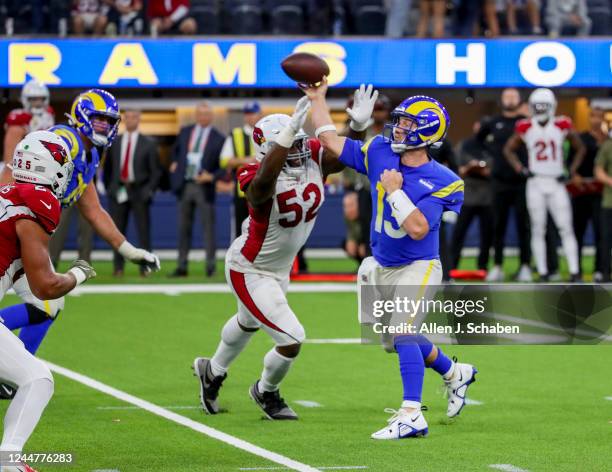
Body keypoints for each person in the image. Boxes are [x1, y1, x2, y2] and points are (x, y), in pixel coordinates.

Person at [307, 78, 477, 439]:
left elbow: (417, 228)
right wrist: (318, 98)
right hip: (381, 265)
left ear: (427, 132)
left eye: (407, 124)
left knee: (403, 331)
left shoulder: (444, 180)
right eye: (399, 120)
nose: (398, 127)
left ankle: (412, 414)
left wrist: (396, 193)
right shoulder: (381, 149)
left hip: (419, 266)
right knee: (395, 341)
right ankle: (453, 373)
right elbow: (330, 143)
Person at [0, 90, 160, 398]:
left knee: (49, 302)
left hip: (28, 229)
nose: (104, 127)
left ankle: (15, 370)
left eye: (109, 122)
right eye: (99, 120)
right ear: (82, 116)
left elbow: (93, 209)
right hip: (17, 227)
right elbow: (15, 172)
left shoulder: (89, 153)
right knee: (47, 296)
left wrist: (129, 250)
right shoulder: (65, 141)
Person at [193, 95, 339, 420]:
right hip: (250, 268)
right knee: (292, 338)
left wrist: (356, 127)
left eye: (299, 142)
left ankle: (212, 371)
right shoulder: (253, 175)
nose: (299, 151)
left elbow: (343, 157)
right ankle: (266, 391)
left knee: (247, 323)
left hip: (279, 268)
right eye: (290, 145)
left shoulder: (310, 159)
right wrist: (283, 140)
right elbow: (260, 188)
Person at [0, 130, 96, 472]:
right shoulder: (37, 203)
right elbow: (45, 287)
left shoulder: (8, 191)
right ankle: (8, 460)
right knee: (37, 378)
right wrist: (79, 273)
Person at [504, 88, 584, 282]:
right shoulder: (526, 127)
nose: (540, 109)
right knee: (538, 228)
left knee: (565, 227)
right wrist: (520, 168)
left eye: (543, 105)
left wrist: (571, 170)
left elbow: (580, 147)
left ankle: (574, 271)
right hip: (536, 181)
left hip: (556, 181)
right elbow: (508, 149)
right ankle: (543, 271)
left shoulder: (562, 125)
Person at [477, 88, 532, 282]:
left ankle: (525, 265)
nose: (510, 99)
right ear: (501, 99)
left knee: (523, 226)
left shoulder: (525, 123)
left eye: (513, 96)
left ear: (520, 99)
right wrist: (487, 163)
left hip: (522, 183)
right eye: (506, 96)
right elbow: (477, 143)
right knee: (497, 226)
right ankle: (498, 265)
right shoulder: (492, 123)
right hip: (499, 182)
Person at [169, 101, 225, 277]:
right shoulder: (185, 132)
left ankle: (210, 266)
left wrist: (212, 176)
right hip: (185, 184)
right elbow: (176, 152)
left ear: (211, 116)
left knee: (208, 228)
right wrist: (174, 164)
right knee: (183, 228)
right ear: (195, 115)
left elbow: (224, 165)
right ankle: (182, 265)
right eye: (200, 114)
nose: (203, 117)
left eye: (206, 114)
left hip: (204, 187)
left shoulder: (219, 138)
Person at [105, 109, 161, 276]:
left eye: (133, 117)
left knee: (143, 231)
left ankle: (145, 266)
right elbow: (108, 168)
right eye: (127, 117)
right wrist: (110, 188)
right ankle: (118, 267)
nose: (130, 120)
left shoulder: (148, 143)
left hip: (139, 190)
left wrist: (149, 190)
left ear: (139, 119)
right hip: (119, 190)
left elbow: (156, 171)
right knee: (116, 231)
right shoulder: (115, 142)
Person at [451, 121, 493, 272]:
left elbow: (495, 170)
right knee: (459, 232)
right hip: (467, 195)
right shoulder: (464, 145)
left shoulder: (492, 147)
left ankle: (483, 267)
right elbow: (455, 169)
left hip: (487, 197)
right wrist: (469, 168)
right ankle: (452, 265)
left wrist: (485, 171)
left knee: (487, 235)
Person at [572, 107, 606, 280]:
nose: (596, 120)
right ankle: (576, 269)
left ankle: (600, 269)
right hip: (581, 192)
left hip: (602, 192)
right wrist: (574, 174)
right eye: (593, 116)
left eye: (599, 117)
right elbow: (571, 161)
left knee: (602, 232)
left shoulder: (607, 140)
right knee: (578, 231)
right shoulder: (581, 138)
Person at [219, 102, 261, 239]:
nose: (250, 117)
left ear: (259, 114)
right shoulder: (235, 134)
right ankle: (239, 259)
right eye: (248, 114)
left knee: (263, 228)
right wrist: (247, 160)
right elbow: (224, 160)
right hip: (242, 189)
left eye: (253, 113)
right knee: (240, 229)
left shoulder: (266, 133)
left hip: (265, 188)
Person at [1, 80, 54, 185]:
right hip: (24, 166)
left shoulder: (49, 114)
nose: (38, 103)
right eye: (33, 99)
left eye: (41, 99)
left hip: (44, 164)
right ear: (25, 100)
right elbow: (10, 162)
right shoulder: (19, 119)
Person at [594, 131, 612, 282]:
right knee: (606, 239)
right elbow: (598, 171)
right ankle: (605, 273)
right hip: (609, 201)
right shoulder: (608, 146)